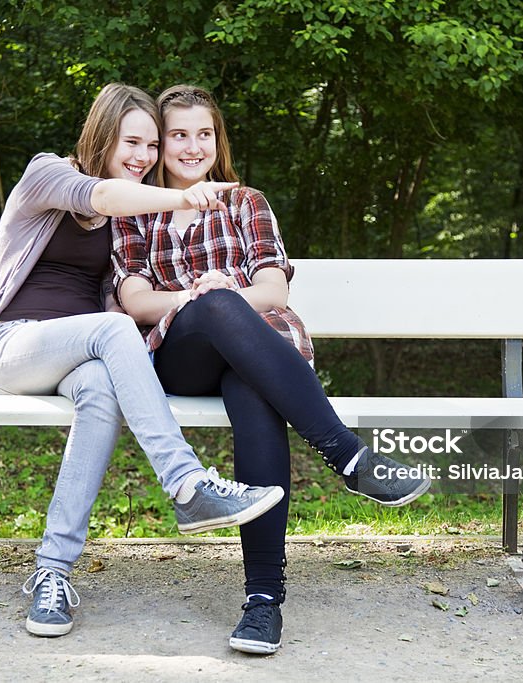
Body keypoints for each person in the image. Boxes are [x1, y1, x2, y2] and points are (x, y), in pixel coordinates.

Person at [111, 84, 432, 655]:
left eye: (203, 134)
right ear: (161, 145)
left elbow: (273, 288)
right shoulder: (136, 208)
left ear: (218, 139)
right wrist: (201, 300)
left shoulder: (246, 202)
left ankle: (263, 602)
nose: (192, 147)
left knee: (252, 387)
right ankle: (348, 456)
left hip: (260, 350)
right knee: (213, 305)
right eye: (179, 135)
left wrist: (228, 296)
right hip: (181, 353)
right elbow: (137, 303)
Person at [0, 83, 284, 638]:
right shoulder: (50, 174)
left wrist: (198, 297)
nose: (143, 157)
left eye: (151, 147)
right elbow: (104, 197)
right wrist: (187, 197)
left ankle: (51, 573)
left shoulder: (126, 220)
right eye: (130, 142)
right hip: (13, 346)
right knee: (113, 332)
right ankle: (187, 485)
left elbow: (126, 300)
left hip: (79, 356)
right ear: (101, 136)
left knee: (103, 387)